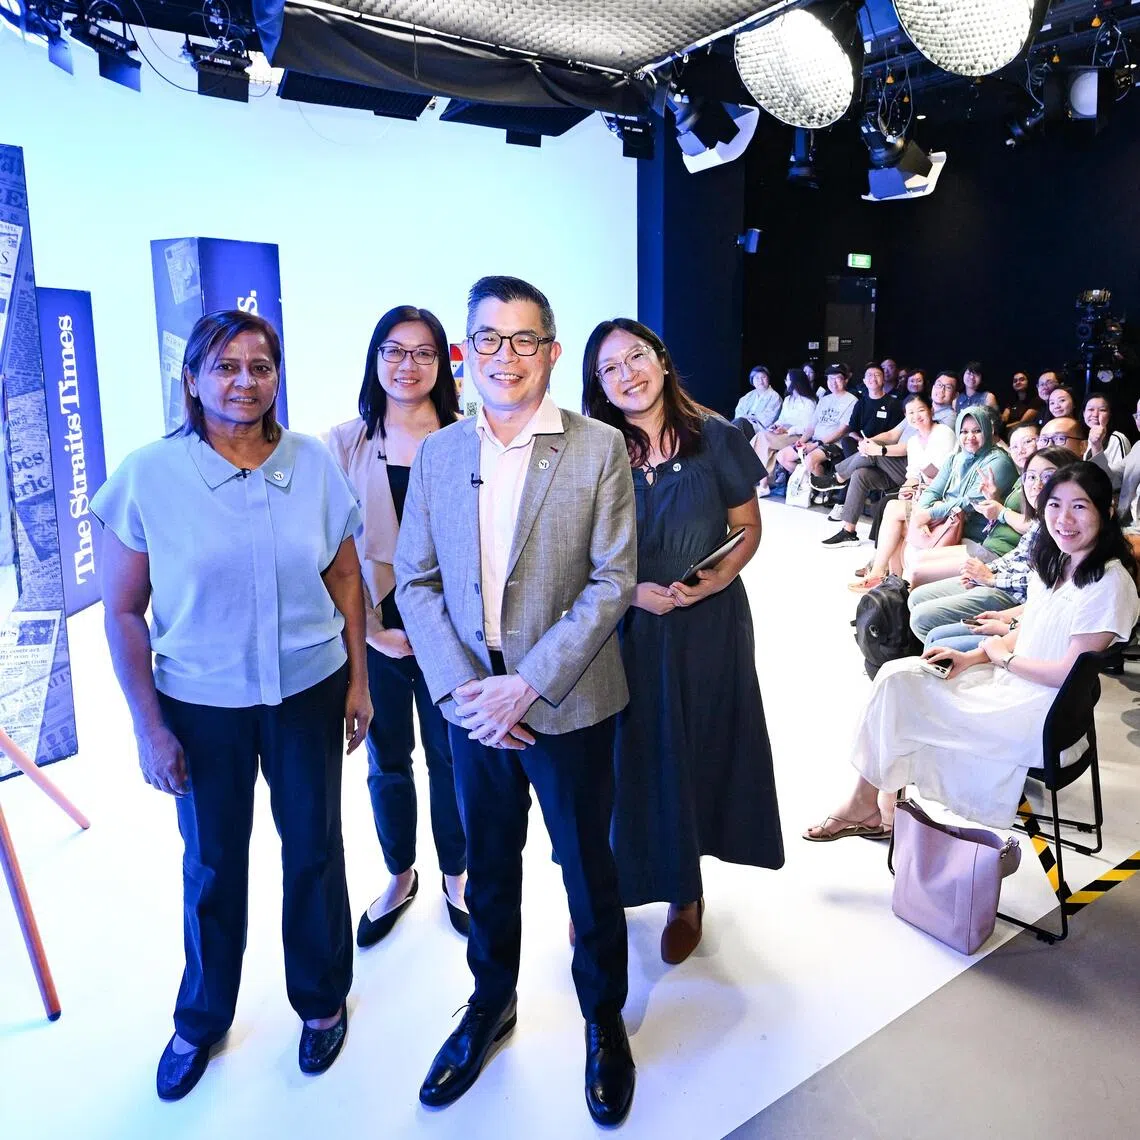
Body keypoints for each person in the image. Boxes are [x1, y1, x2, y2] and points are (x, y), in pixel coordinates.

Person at [93, 311, 371, 1100]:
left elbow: (346, 579)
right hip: (201, 703)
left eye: (261, 366)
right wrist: (150, 728)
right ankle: (203, 1016)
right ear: (192, 379)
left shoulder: (313, 463)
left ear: (278, 377)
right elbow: (123, 612)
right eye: (225, 366)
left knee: (313, 848)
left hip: (308, 691)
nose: (244, 381)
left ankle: (321, 1003)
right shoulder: (149, 475)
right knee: (213, 863)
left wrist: (358, 680)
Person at [395, 276, 637, 1126]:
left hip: (565, 700)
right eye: (488, 339)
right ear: (467, 351)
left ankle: (603, 1018)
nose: (506, 356)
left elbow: (615, 580)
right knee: (488, 869)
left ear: (552, 352)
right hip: (471, 706)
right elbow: (417, 581)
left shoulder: (598, 447)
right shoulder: (439, 454)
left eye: (524, 339)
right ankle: (490, 1004)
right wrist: (470, 690)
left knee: (587, 869)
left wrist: (528, 683)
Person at [582, 318, 783, 966]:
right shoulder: (596, 449)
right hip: (623, 628)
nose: (626, 374)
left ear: (662, 361)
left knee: (691, 754)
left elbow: (747, 526)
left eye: (635, 357)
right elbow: (580, 549)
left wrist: (714, 578)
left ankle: (685, 895)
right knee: (622, 760)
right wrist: (631, 591)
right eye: (609, 368)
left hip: (707, 627)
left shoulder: (717, 435)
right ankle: (608, 888)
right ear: (600, 386)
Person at [807, 462, 1138, 839]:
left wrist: (1003, 658)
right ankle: (870, 803)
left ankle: (873, 806)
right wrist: (973, 657)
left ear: (1105, 511)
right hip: (1014, 685)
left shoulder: (1109, 584)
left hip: (1038, 714)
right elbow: (1035, 628)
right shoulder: (1061, 560)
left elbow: (1066, 672)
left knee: (904, 696)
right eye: (1054, 505)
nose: (1064, 518)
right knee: (894, 677)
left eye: (1079, 507)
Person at [328, 305, 468, 949]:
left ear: (441, 363)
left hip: (455, 633)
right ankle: (399, 872)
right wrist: (375, 632)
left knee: (452, 759)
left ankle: (457, 875)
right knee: (387, 761)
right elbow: (332, 552)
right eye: (394, 350)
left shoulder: (470, 435)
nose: (407, 365)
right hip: (375, 631)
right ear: (375, 359)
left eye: (423, 352)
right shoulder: (342, 443)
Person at [907, 447, 1079, 649]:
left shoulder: (1064, 526)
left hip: (1013, 592)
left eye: (1048, 476)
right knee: (916, 595)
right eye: (1030, 477)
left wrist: (991, 578)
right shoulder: (1042, 517)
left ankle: (950, 660)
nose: (1037, 484)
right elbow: (1019, 554)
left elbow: (1048, 583)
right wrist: (986, 572)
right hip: (998, 570)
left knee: (922, 616)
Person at [851, 409, 1017, 591]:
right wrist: (923, 512)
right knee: (895, 515)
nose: (970, 437)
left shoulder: (998, 461)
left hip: (971, 528)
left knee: (895, 512)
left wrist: (929, 513)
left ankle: (884, 580)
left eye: (977, 431)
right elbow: (934, 490)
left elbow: (969, 503)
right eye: (964, 431)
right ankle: (889, 583)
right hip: (947, 518)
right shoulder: (956, 458)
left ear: (988, 430)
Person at [824, 394, 954, 549]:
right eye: (911, 413)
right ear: (906, 416)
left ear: (931, 411)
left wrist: (878, 450)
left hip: (940, 490)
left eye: (921, 410)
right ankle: (848, 531)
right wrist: (907, 488)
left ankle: (838, 478)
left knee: (876, 460)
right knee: (861, 474)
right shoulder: (913, 441)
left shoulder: (943, 432)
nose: (916, 416)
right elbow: (912, 473)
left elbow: (940, 471)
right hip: (918, 485)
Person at [773, 362, 857, 483]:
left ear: (845, 380)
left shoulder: (852, 400)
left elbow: (841, 431)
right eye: (830, 378)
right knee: (782, 456)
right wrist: (801, 441)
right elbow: (811, 427)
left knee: (810, 460)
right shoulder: (824, 400)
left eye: (838, 378)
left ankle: (824, 489)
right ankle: (810, 482)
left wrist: (816, 444)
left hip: (835, 444)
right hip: (814, 441)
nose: (833, 382)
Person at [753, 368, 816, 496]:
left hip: (798, 435)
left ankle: (763, 483)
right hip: (784, 433)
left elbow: (807, 427)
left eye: (787, 380)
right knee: (763, 438)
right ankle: (764, 484)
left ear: (795, 382)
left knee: (763, 439)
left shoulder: (809, 402)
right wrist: (775, 426)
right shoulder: (788, 400)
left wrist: (787, 430)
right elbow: (782, 419)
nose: (786, 382)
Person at [1082, 392, 1131, 490]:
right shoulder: (1087, 439)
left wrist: (1097, 446)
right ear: (1083, 413)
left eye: (1102, 410)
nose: (1095, 415)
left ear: (1109, 415)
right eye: (1090, 409)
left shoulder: (1117, 438)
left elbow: (1120, 482)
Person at [733, 364, 782, 437]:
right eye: (757, 378)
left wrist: (749, 418)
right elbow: (739, 412)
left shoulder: (774, 397)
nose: (760, 381)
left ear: (768, 379)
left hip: (759, 430)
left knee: (740, 423)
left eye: (763, 377)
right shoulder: (748, 396)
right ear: (752, 380)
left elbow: (769, 418)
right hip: (742, 425)